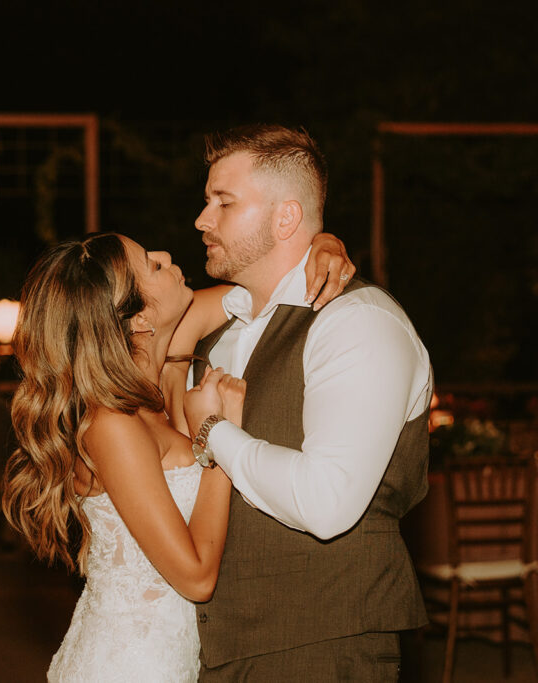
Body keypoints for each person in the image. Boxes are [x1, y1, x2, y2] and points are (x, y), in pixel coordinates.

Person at [1, 231, 354, 681]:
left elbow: (269, 287)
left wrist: (322, 245)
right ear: (139, 320)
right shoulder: (112, 426)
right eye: (150, 264)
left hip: (174, 661)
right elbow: (196, 577)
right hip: (131, 666)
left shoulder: (162, 371)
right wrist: (218, 433)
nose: (166, 255)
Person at [183, 124, 433, 681]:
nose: (202, 220)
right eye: (206, 202)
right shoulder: (224, 330)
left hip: (323, 643)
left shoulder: (358, 321)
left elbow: (327, 503)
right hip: (218, 648)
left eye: (223, 202)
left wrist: (214, 432)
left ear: (286, 218)